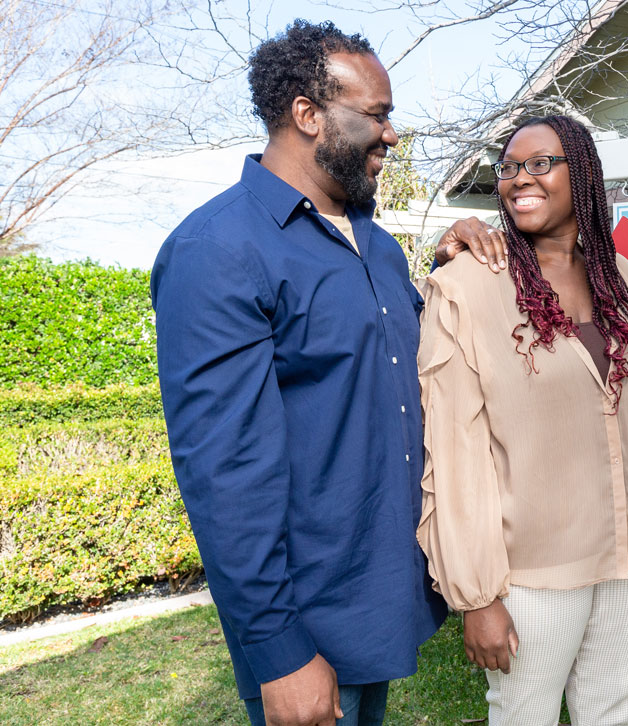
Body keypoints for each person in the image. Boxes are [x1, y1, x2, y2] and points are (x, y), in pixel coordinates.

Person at [151, 20, 502, 726]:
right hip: (307, 624)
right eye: (376, 114)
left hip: (377, 598)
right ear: (307, 115)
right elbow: (224, 474)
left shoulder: (370, 242)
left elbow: (390, 362)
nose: (393, 134)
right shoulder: (216, 250)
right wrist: (278, 650)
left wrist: (444, 269)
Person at [415, 115, 628, 726]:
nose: (519, 179)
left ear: (582, 174)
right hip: (534, 571)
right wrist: (477, 597)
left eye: (539, 163)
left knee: (614, 712)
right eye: (508, 168)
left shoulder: (625, 281)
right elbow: (456, 455)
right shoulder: (467, 288)